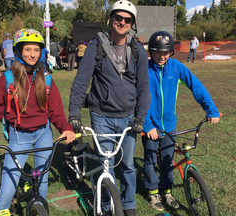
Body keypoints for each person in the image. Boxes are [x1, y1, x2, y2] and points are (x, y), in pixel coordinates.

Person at [0, 28, 76, 215]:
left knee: (42, 180)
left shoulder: (46, 79)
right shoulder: (6, 79)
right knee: (8, 187)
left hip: (43, 134)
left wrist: (66, 128)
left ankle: (39, 210)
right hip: (19, 136)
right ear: (18, 51)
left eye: (36, 50)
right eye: (28, 49)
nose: (32, 54)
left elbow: (56, 112)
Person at [68, 1, 151, 215]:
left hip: (129, 117)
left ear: (132, 23)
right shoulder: (96, 47)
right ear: (111, 19)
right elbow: (81, 81)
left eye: (127, 19)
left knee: (129, 165)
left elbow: (143, 88)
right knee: (106, 165)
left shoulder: (137, 50)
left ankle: (129, 204)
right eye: (118, 18)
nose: (122, 22)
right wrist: (74, 113)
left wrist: (140, 117)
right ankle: (106, 206)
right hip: (102, 116)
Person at [143, 31, 220, 211]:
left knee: (167, 160)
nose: (162, 56)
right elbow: (137, 100)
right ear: (151, 52)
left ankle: (167, 191)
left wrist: (211, 109)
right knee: (149, 159)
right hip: (150, 126)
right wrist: (147, 125)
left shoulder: (176, 67)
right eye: (157, 52)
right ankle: (153, 192)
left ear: (171, 52)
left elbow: (196, 87)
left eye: (166, 53)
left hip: (169, 125)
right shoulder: (144, 69)